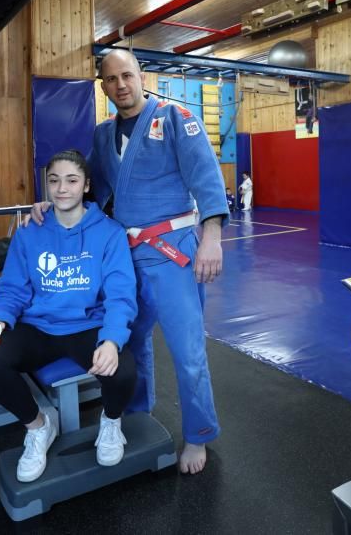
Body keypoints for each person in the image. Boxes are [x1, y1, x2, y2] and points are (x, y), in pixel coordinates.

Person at [29, 49, 229, 474]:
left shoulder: (175, 117)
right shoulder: (103, 135)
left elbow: (206, 177)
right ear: (102, 87)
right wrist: (51, 205)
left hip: (171, 251)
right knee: (128, 343)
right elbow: (92, 189)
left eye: (128, 75)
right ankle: (135, 413)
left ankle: (198, 436)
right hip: (123, 253)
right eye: (111, 79)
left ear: (141, 75)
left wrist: (211, 237)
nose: (121, 84)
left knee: (187, 350)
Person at [0, 149, 137, 483]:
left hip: (86, 325)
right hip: (39, 327)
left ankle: (110, 423)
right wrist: (0, 320)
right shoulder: (30, 232)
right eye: (54, 180)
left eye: (72, 180)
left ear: (86, 185)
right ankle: (38, 427)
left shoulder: (109, 233)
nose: (62, 188)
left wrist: (110, 340)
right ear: (46, 185)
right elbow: (14, 289)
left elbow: (121, 296)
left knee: (123, 372)